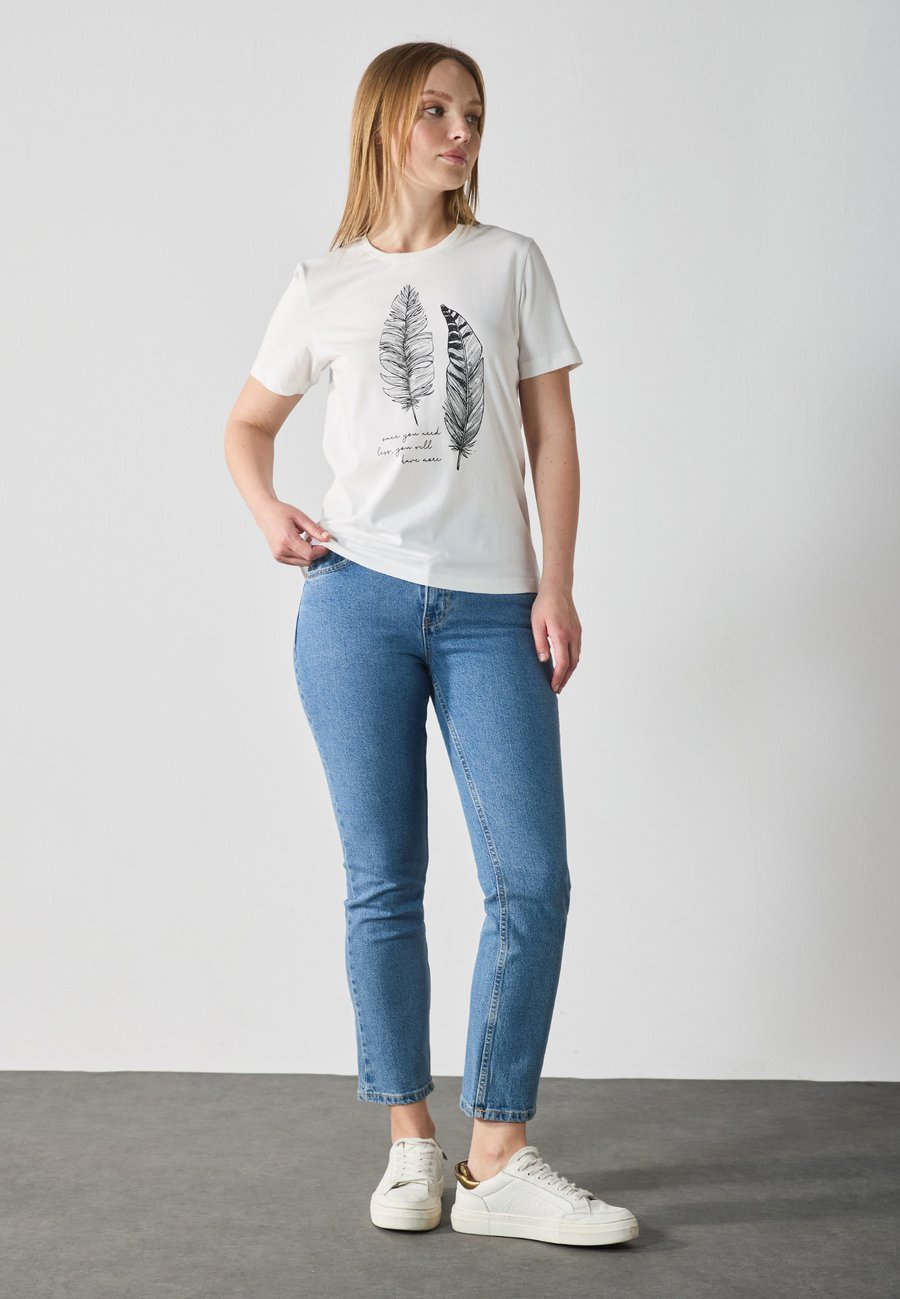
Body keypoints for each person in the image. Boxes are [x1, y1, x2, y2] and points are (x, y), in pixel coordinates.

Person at [224, 40, 639, 1249]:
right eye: (437, 112)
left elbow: (553, 437)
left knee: (531, 880)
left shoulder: (510, 264)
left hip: (493, 611)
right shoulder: (324, 285)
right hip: (352, 602)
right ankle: (411, 1141)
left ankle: (496, 1157)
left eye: (475, 115)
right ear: (383, 126)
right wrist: (268, 513)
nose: (462, 134)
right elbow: (247, 424)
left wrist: (556, 583)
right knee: (383, 880)